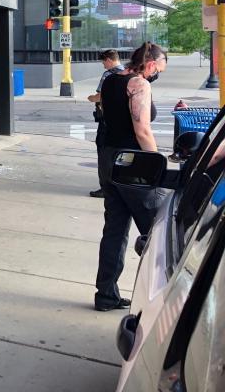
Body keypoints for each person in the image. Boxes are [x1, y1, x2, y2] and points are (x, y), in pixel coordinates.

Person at [94, 41, 168, 311]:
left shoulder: (112, 80)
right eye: (159, 69)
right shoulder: (139, 84)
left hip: (108, 159)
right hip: (133, 165)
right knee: (159, 232)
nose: (158, 74)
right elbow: (142, 130)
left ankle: (106, 294)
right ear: (150, 64)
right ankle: (164, 300)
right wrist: (157, 164)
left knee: (114, 229)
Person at [89, 50, 125, 198]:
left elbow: (100, 96)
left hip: (106, 120)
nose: (103, 65)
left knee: (104, 155)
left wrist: (91, 98)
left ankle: (105, 188)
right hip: (119, 121)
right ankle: (117, 186)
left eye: (104, 62)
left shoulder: (109, 75)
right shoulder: (126, 74)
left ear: (110, 60)